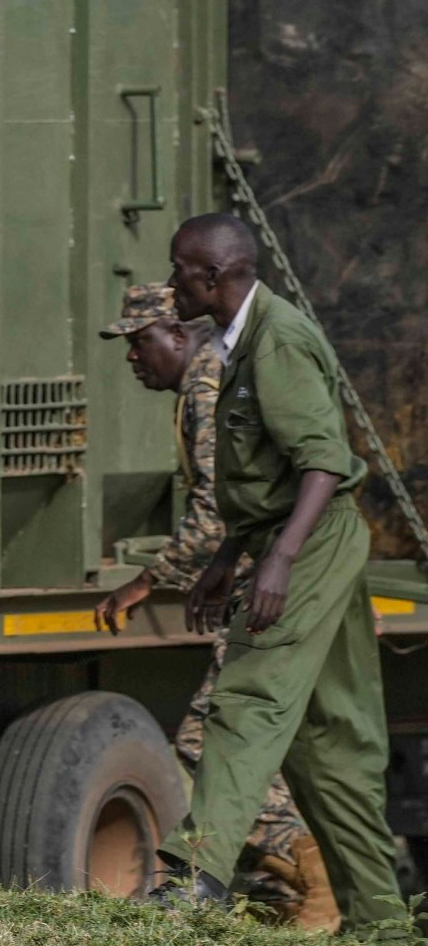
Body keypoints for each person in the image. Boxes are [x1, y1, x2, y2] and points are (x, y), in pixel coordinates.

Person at [148, 214, 405, 933]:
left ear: (214, 277)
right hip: (301, 538)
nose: (171, 283)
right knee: (332, 744)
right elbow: (265, 473)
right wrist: (230, 557)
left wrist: (280, 562)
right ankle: (382, 923)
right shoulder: (241, 340)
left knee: (248, 698)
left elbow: (322, 460)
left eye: (179, 270)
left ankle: (195, 875)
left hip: (314, 542)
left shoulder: (277, 340)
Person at [91, 283, 335, 931]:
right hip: (274, 581)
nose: (133, 358)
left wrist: (151, 580)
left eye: (140, 342)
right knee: (262, 740)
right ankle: (288, 892)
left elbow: (214, 508)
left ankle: (313, 875)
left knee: (212, 740)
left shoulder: (206, 386)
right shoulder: (218, 375)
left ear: (178, 333)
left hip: (273, 588)